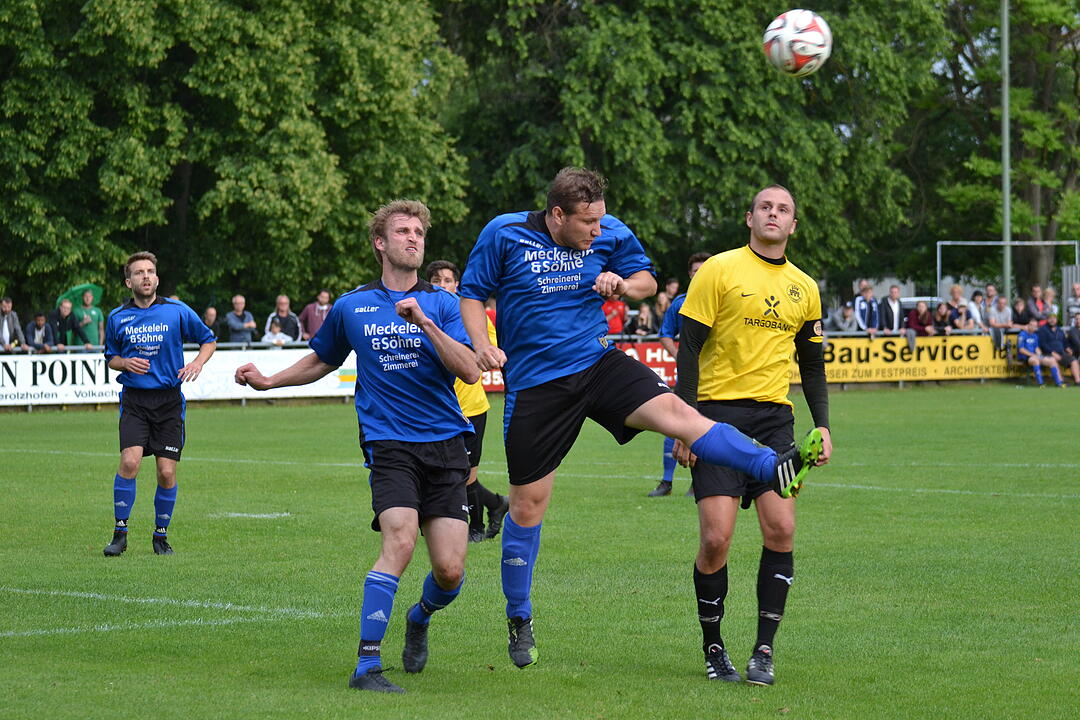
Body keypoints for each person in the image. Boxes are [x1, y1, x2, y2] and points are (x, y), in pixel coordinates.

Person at [457, 167, 823, 670]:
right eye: (586, 223)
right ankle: (519, 615)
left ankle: (769, 465)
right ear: (557, 215)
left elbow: (647, 281)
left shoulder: (610, 229)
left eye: (600, 220)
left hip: (597, 362)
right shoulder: (504, 232)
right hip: (537, 385)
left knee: (676, 411)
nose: (595, 231)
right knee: (527, 506)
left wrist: (623, 286)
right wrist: (481, 345)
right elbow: (472, 294)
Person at [235, 200, 478, 695]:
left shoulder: (444, 305)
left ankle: (420, 616)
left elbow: (470, 369)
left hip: (447, 445)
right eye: (403, 231)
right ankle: (367, 664)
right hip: (389, 445)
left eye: (419, 232)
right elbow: (322, 360)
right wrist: (269, 381)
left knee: (450, 571)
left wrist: (424, 324)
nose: (414, 238)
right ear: (380, 243)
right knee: (400, 540)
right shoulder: (352, 306)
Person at [673, 184, 831, 686]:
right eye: (765, 206)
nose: (773, 214)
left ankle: (764, 648)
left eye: (783, 209)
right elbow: (689, 348)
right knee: (716, 538)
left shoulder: (805, 287)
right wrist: (683, 424)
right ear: (749, 217)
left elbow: (812, 364)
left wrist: (822, 424)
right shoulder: (719, 269)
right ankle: (713, 646)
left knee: (782, 530)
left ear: (793, 226)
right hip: (716, 419)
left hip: (774, 423)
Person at [102, 251, 216, 557]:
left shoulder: (176, 311)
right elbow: (110, 358)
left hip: (168, 402)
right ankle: (120, 534)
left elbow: (209, 339)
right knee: (130, 463)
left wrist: (197, 363)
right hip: (136, 400)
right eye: (139, 272)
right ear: (129, 281)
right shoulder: (117, 317)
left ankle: (160, 536)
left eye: (150, 271)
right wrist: (124, 362)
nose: (146, 276)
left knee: (166, 473)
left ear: (157, 278)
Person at [425, 259, 509, 543]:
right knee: (445, 470)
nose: (442, 286)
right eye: (436, 281)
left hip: (470, 406)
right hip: (437, 407)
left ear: (457, 284)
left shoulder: (472, 314)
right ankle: (496, 504)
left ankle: (474, 526)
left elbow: (489, 352)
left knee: (466, 474)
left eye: (447, 280)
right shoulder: (422, 314)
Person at [650, 251, 711, 497]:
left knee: (708, 427)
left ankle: (700, 481)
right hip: (687, 377)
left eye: (704, 270)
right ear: (690, 274)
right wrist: (680, 357)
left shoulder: (723, 300)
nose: (700, 275)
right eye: (696, 271)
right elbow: (665, 334)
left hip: (717, 377)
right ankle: (667, 482)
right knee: (674, 425)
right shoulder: (680, 303)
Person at [1016, 318, 1062, 387]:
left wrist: (1039, 354)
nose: (1034, 327)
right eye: (1032, 325)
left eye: (1035, 326)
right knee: (1035, 360)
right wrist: (1033, 355)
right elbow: (1021, 350)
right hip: (1025, 357)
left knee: (1052, 360)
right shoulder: (1022, 334)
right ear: (1028, 325)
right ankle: (1041, 383)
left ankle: (1059, 383)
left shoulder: (1035, 336)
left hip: (1034, 356)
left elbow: (1037, 348)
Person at [1037, 313, 1077, 385]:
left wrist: (1068, 348)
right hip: (1048, 353)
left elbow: (1064, 342)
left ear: (1056, 320)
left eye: (1054, 318)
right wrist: (1052, 353)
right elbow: (1043, 344)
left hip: (1061, 352)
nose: (1052, 320)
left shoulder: (1060, 330)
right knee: (1053, 360)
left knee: (1073, 360)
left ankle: (1078, 381)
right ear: (1047, 320)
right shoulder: (1043, 330)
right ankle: (1060, 382)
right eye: (1050, 318)